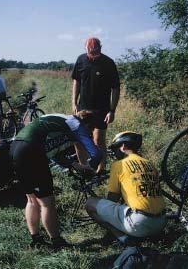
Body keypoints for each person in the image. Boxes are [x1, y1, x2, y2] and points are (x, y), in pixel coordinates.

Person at [10, 111, 102, 250]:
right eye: (90, 130)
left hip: (15, 148)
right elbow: (96, 154)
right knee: (47, 202)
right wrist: (90, 168)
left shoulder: (58, 120)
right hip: (32, 152)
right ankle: (57, 242)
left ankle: (36, 240)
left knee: (31, 199)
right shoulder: (75, 124)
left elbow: (54, 153)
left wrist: (75, 165)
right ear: (87, 124)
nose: (89, 133)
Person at [85, 131, 166, 242]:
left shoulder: (119, 164)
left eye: (114, 149)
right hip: (161, 222)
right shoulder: (149, 163)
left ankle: (121, 237)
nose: (114, 153)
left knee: (90, 203)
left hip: (140, 223)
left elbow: (112, 199)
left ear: (123, 146)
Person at [71, 37, 120, 172]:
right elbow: (77, 82)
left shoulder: (108, 63)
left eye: (95, 52)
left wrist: (112, 110)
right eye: (90, 53)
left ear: (100, 48)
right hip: (83, 109)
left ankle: (100, 170)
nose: (93, 55)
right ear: (85, 49)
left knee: (98, 140)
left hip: (101, 109)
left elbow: (115, 88)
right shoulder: (81, 60)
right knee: (79, 141)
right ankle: (86, 170)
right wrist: (74, 102)